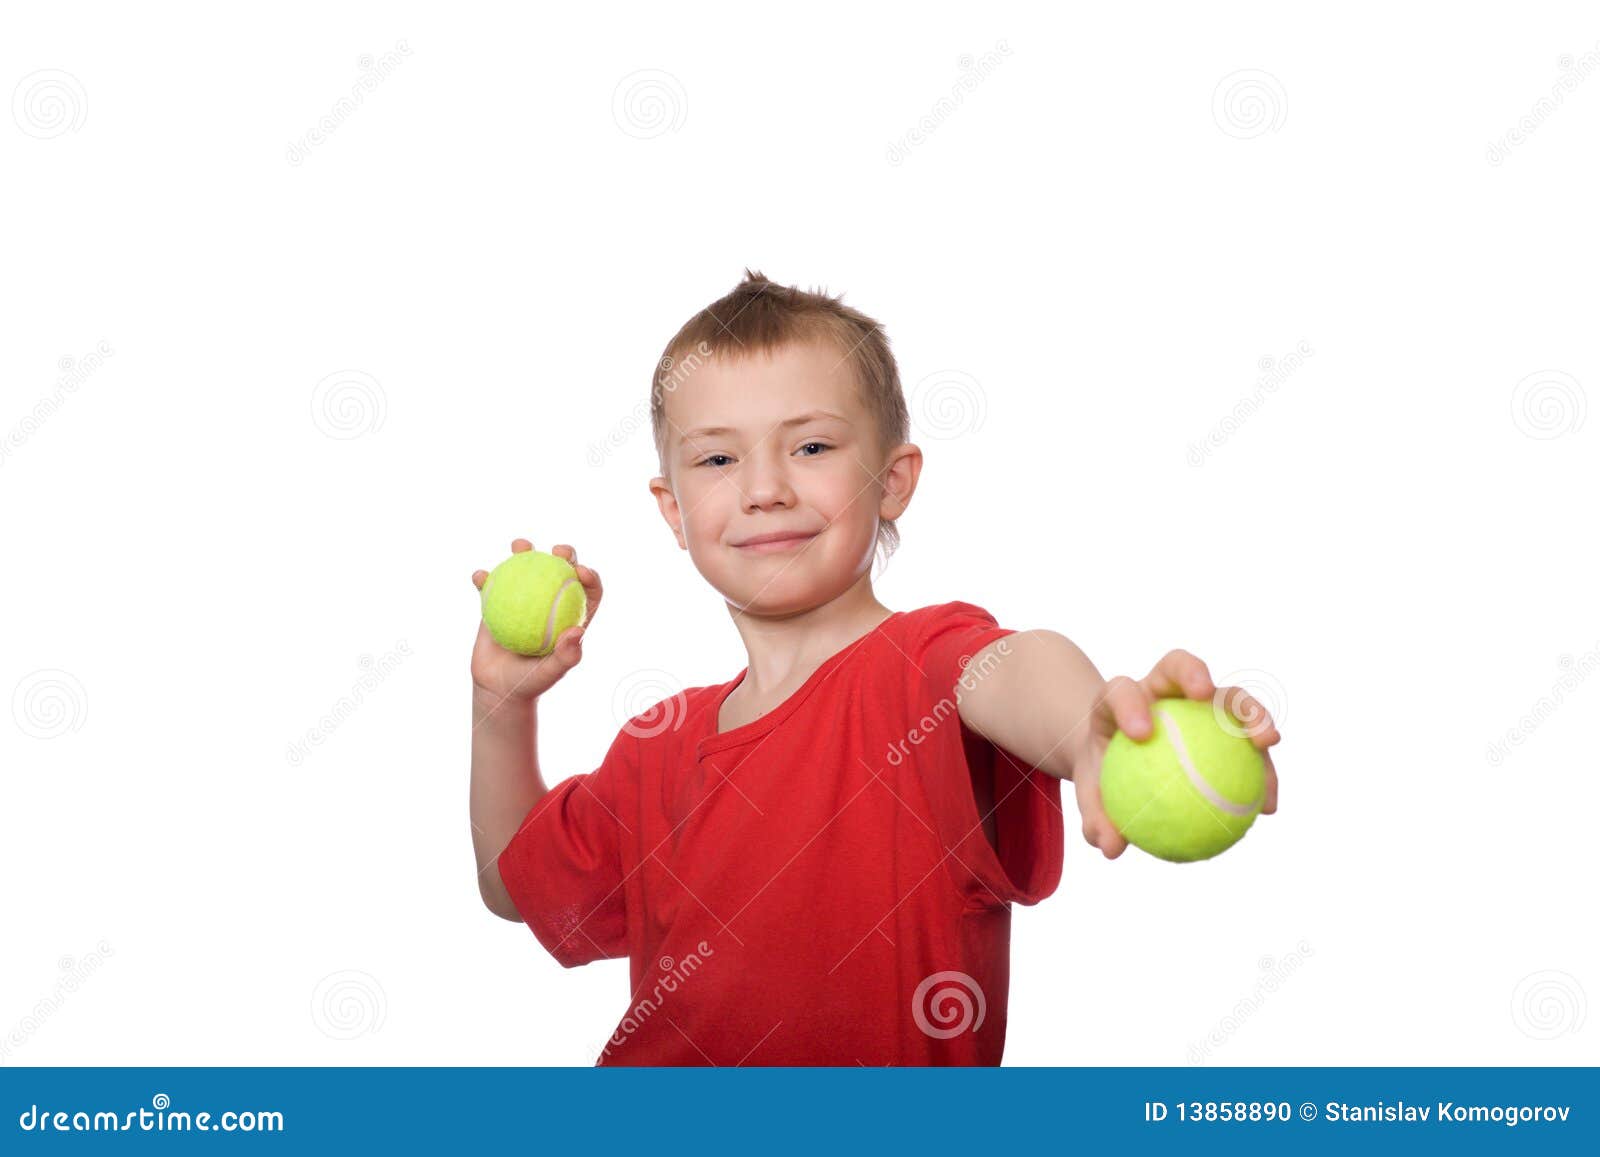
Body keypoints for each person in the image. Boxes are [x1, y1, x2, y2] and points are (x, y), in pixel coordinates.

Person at [467, 269, 1283, 1065]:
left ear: (891, 481)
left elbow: (1011, 667)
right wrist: (499, 703)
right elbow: (516, 888)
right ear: (674, 510)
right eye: (717, 460)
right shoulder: (657, 743)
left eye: (811, 445)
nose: (763, 489)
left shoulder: (919, 666)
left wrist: (1089, 728)